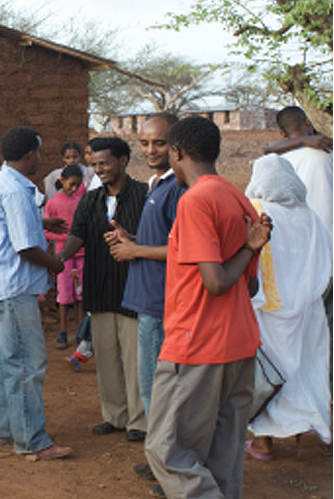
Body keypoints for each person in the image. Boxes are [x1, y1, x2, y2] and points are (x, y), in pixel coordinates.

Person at [145, 115, 271, 499]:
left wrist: (247, 249)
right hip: (238, 342)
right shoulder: (237, 198)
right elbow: (247, 283)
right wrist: (247, 248)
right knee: (223, 452)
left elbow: (215, 282)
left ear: (176, 151)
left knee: (168, 450)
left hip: (197, 342)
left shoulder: (195, 201)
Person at [0, 125, 72, 460]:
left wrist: (42, 223)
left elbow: (5, 227)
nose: (40, 159)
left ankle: (5, 430)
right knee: (27, 363)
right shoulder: (16, 190)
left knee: (8, 359)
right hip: (13, 285)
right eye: (39, 153)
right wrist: (56, 264)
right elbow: (25, 247)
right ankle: (32, 440)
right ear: (30, 153)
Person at [103, 113, 184, 494]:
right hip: (149, 298)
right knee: (153, 388)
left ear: (177, 144)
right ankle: (160, 461)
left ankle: (169, 468)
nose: (151, 150)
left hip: (161, 300)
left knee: (158, 390)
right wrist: (131, 238)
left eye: (160, 143)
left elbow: (184, 250)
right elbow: (162, 240)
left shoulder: (178, 189)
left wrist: (135, 249)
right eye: (146, 143)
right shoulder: (160, 184)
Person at [57, 136, 148, 442]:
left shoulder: (143, 195)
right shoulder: (90, 200)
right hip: (99, 289)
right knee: (107, 357)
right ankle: (115, 416)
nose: (99, 170)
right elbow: (77, 235)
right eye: (94, 165)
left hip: (133, 291)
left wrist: (131, 241)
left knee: (135, 359)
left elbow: (150, 240)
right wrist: (59, 259)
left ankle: (139, 421)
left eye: (105, 163)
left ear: (123, 160)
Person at [243, 154, 332, 459]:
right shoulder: (310, 216)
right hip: (308, 311)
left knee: (269, 373)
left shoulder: (258, 213)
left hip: (269, 313)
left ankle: (264, 441)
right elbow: (326, 262)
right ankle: (303, 427)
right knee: (304, 370)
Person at [266, 106, 331, 238]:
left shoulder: (277, 161)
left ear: (282, 134)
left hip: (296, 234)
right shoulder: (328, 153)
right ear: (307, 122)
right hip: (329, 230)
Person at [43, 164, 84, 349]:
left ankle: (81, 332)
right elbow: (45, 232)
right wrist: (67, 238)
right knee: (64, 294)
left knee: (81, 295)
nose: (74, 188)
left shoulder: (80, 202)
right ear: (62, 181)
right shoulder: (52, 203)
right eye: (72, 184)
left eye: (78, 185)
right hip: (62, 256)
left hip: (82, 254)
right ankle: (63, 331)